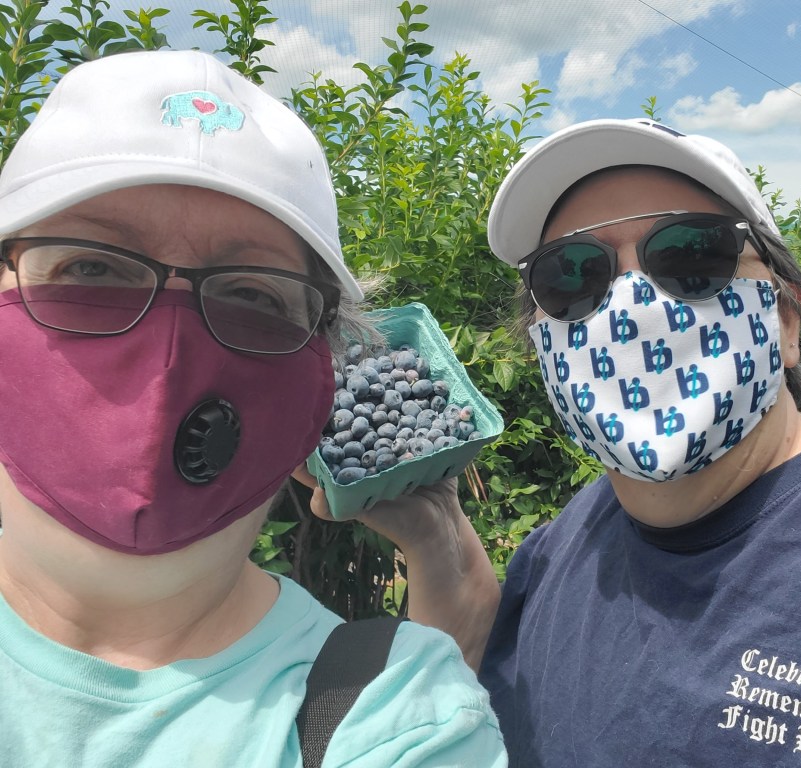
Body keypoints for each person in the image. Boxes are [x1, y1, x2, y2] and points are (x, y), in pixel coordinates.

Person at [322, 117, 801, 767]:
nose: (632, 306)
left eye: (693, 255)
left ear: (784, 321)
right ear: (542, 341)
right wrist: (443, 557)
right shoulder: (560, 548)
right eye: (571, 275)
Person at [0, 49, 506, 767]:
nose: (167, 362)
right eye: (91, 266)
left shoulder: (399, 717)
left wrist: (446, 564)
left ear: (320, 376)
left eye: (251, 293)